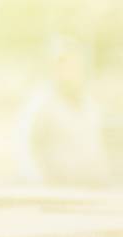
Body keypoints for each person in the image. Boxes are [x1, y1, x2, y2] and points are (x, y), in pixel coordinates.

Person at [17, 34, 111, 188]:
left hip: (92, 193)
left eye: (76, 64)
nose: (71, 70)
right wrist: (44, 186)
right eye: (65, 64)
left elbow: (96, 147)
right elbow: (27, 151)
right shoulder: (41, 105)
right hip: (58, 198)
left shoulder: (90, 104)